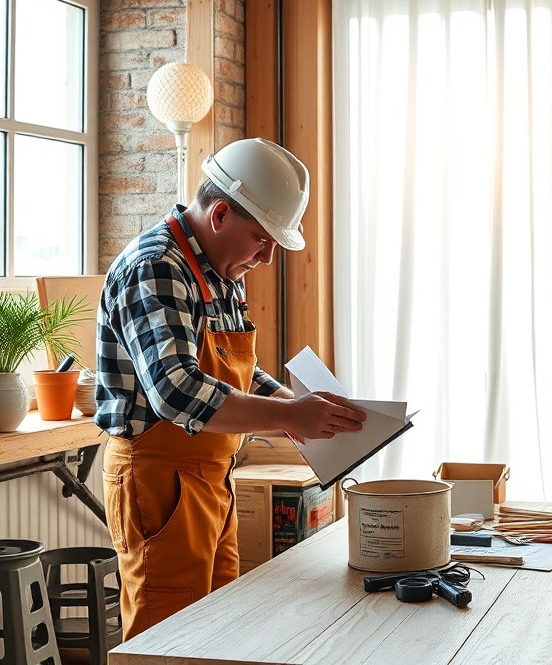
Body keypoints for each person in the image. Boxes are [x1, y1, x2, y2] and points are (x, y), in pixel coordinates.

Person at [95, 137, 365, 639]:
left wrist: (297, 405)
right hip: (159, 477)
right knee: (167, 638)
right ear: (220, 214)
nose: (265, 258)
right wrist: (288, 418)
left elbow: (234, 370)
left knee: (218, 629)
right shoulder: (157, 266)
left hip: (213, 475)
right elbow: (175, 390)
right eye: (262, 240)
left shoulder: (220, 270)